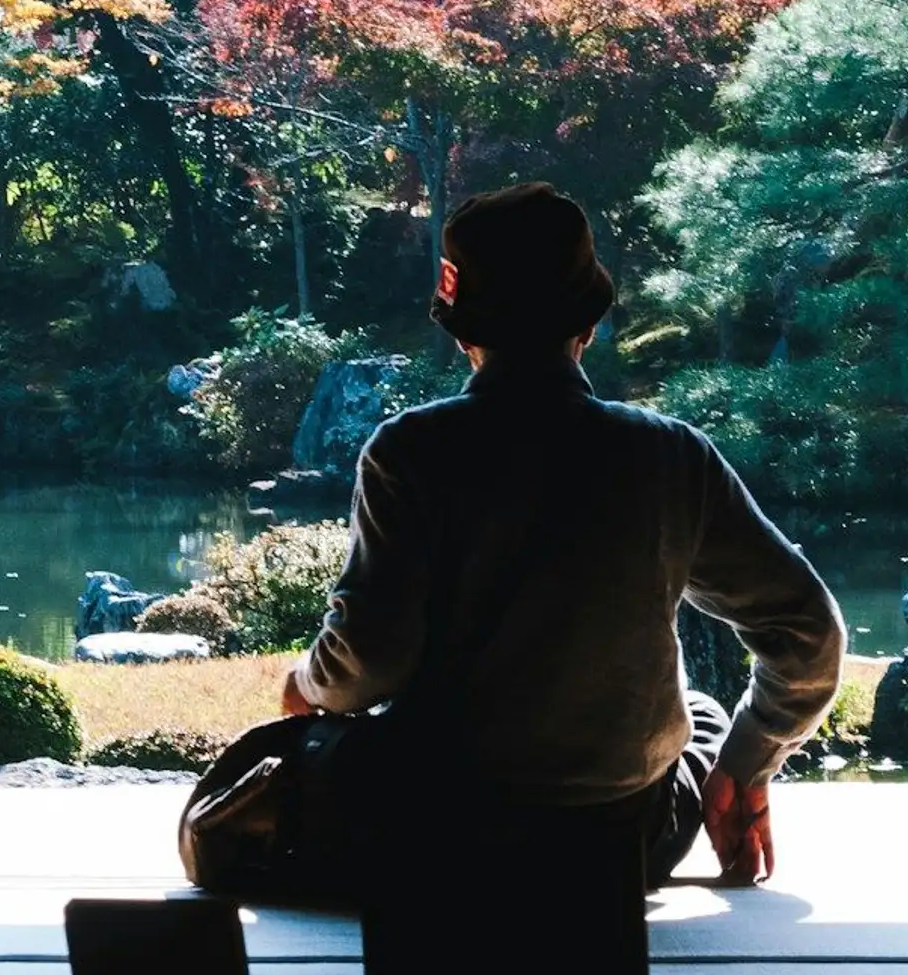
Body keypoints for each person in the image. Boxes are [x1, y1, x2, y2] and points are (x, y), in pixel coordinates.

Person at [280, 182, 844, 887]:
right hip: (620, 841)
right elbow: (810, 632)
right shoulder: (668, 456)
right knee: (697, 713)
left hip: (437, 833)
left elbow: (368, 658)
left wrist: (304, 683)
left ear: (462, 329)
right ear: (588, 324)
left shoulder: (411, 451)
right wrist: (747, 759)